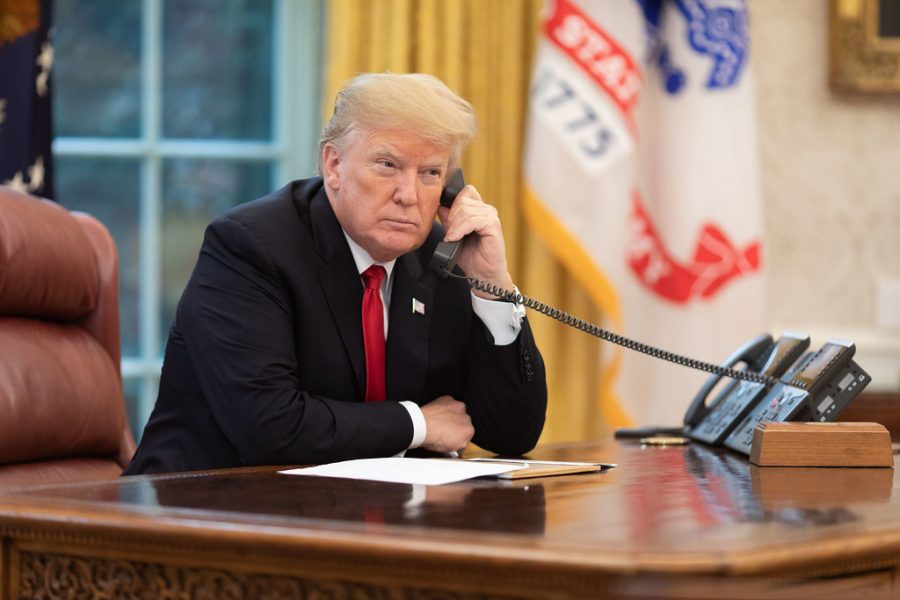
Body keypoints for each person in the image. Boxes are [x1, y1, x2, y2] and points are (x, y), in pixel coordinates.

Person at [124, 73, 547, 475]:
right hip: (199, 513)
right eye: (387, 165)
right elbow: (269, 428)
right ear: (333, 165)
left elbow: (510, 434)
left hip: (359, 517)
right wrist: (418, 423)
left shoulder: (442, 258)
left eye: (430, 173)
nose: (408, 195)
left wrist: (493, 287)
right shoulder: (250, 247)